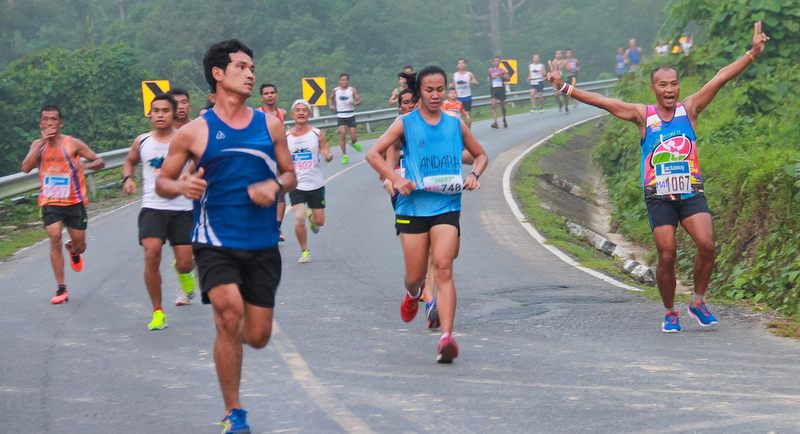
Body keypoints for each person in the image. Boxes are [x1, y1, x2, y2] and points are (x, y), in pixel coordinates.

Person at [546, 22, 769, 333]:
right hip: (659, 196)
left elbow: (720, 78)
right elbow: (603, 102)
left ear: (679, 86)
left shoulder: (689, 109)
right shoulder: (643, 115)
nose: (669, 90)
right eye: (662, 85)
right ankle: (670, 311)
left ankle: (699, 301)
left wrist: (752, 54)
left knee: (707, 244)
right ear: (653, 88)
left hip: (690, 193)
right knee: (667, 253)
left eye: (674, 84)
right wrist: (563, 87)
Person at [155, 39, 297, 433]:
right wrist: (182, 187)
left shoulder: (269, 124)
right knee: (228, 312)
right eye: (241, 66)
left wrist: (275, 186)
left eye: (252, 67)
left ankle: (236, 358)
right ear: (218, 74)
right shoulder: (196, 132)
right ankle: (234, 413)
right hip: (213, 241)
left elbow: (290, 174)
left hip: (262, 243)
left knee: (258, 335)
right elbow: (164, 181)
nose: (250, 73)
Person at [366, 65, 489, 363]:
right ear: (419, 92)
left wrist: (474, 174)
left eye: (439, 90)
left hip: (447, 205)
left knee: (444, 267)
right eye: (429, 90)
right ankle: (412, 294)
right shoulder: (405, 123)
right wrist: (396, 179)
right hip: (412, 207)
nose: (435, 96)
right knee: (415, 276)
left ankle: (447, 337)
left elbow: (481, 154)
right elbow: (372, 154)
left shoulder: (455, 123)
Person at [122, 93, 197, 330]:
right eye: (156, 111)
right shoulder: (142, 141)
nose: (160, 115)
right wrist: (128, 178)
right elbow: (130, 161)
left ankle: (185, 275)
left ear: (174, 114)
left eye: (165, 110)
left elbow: (202, 159)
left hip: (182, 208)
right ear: (150, 114)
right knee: (151, 253)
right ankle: (157, 312)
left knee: (185, 262)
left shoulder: (185, 139)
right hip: (153, 206)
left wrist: (191, 173)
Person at [20, 105, 105, 304]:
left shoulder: (72, 143)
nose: (50, 123)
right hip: (50, 201)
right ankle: (61, 288)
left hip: (74, 201)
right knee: (54, 236)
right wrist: (41, 143)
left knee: (80, 246)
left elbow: (100, 161)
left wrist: (85, 165)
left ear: (60, 123)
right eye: (45, 119)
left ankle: (73, 251)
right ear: (41, 123)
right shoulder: (37, 145)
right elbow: (25, 168)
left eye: (54, 119)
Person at [286, 99, 333, 263]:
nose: (301, 113)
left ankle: (311, 217)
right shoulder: (286, 136)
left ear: (309, 114)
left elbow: (325, 149)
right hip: (296, 184)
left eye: (304, 110)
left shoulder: (317, 133)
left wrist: (327, 155)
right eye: (297, 110)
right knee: (298, 217)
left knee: (319, 221)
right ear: (293, 114)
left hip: (315, 183)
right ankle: (304, 251)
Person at [257, 83, 289, 241]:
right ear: (261, 97)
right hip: (262, 159)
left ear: (276, 94)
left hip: (279, 157)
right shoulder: (257, 114)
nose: (269, 95)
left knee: (281, 194)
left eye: (272, 92)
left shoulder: (282, 113)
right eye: (266, 93)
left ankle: (277, 227)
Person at [328, 73, 362, 164]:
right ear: (340, 81)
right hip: (341, 115)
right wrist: (331, 105)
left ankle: (352, 143)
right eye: (342, 80)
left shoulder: (352, 90)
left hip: (350, 115)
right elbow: (330, 98)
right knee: (342, 133)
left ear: (348, 81)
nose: (344, 81)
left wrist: (354, 103)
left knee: (354, 137)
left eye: (345, 80)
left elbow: (359, 101)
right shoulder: (336, 90)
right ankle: (345, 156)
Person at [453, 58, 479, 126]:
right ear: (457, 65)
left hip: (467, 96)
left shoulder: (469, 74)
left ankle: (468, 131)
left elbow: (476, 82)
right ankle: (463, 132)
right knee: (459, 116)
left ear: (465, 65)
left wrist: (473, 82)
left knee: (467, 115)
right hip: (458, 98)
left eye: (462, 63)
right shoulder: (455, 75)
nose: (461, 64)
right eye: (459, 63)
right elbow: (453, 86)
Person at [488, 56, 510, 128]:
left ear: (500, 62)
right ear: (493, 62)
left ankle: (504, 118)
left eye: (498, 61)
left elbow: (508, 79)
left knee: (502, 105)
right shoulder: (490, 70)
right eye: (495, 61)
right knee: (493, 105)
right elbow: (489, 78)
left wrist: (502, 76)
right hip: (494, 89)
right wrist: (491, 77)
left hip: (501, 89)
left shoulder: (502, 70)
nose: (496, 62)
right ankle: (495, 122)